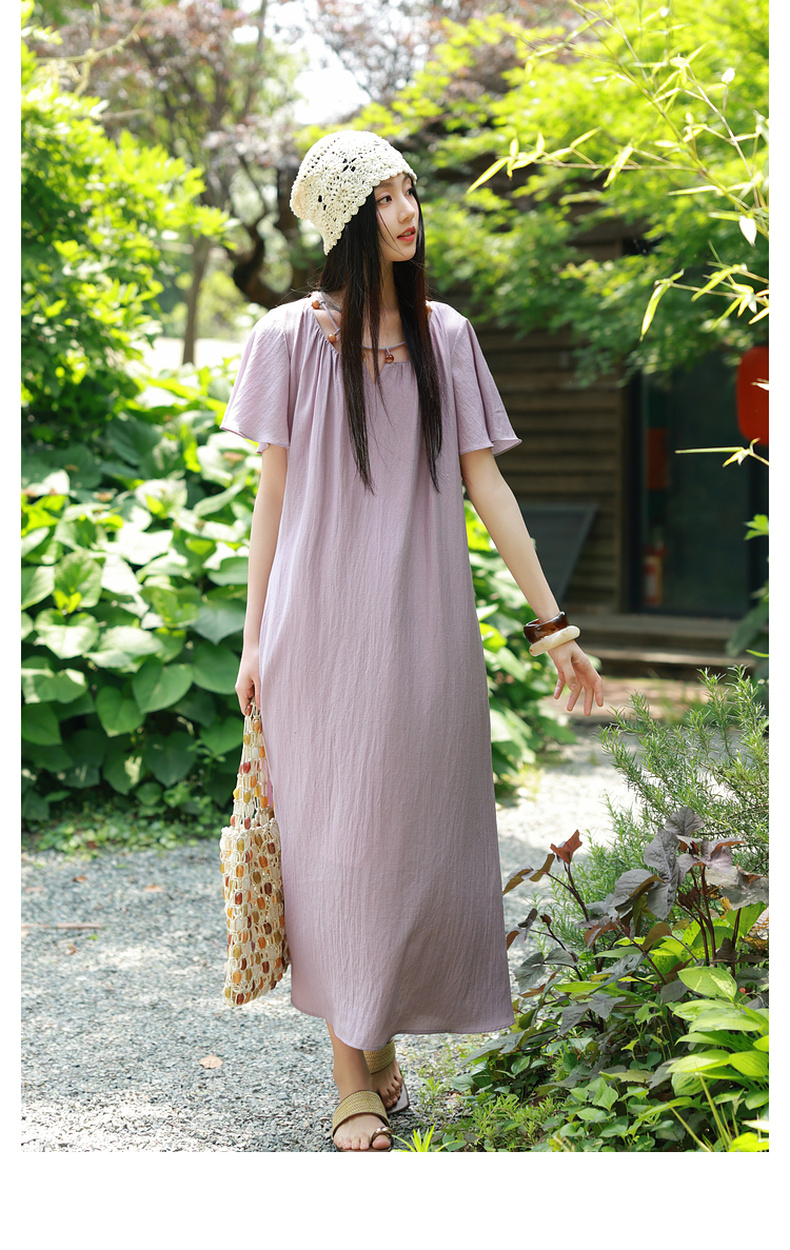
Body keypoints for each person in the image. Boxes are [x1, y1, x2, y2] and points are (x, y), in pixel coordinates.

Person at [221, 130, 603, 1152]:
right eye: (382, 197)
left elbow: (487, 484)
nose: (405, 211)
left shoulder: (447, 335)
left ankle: (377, 1027)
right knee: (338, 841)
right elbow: (271, 499)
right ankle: (351, 1074)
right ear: (345, 221)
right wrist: (253, 640)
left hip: (425, 627)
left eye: (408, 190)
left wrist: (554, 623)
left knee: (412, 837)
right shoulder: (286, 338)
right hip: (315, 633)